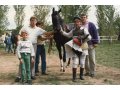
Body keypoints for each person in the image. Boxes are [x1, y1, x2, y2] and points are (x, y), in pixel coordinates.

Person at [15, 16, 53, 81]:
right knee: (22, 60)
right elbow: (19, 34)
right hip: (25, 45)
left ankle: (32, 75)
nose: (33, 22)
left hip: (33, 46)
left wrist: (54, 31)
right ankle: (19, 76)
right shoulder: (25, 27)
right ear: (30, 21)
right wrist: (18, 40)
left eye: (34, 21)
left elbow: (46, 33)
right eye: (32, 20)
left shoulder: (38, 29)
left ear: (36, 22)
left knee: (32, 60)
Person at [61, 17, 91, 82]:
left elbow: (89, 37)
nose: (76, 23)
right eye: (75, 22)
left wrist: (82, 39)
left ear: (80, 22)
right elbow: (68, 35)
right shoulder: (73, 30)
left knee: (82, 62)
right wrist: (61, 31)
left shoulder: (84, 29)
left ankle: (81, 76)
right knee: (75, 62)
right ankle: (74, 77)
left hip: (83, 47)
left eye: (78, 22)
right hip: (75, 47)